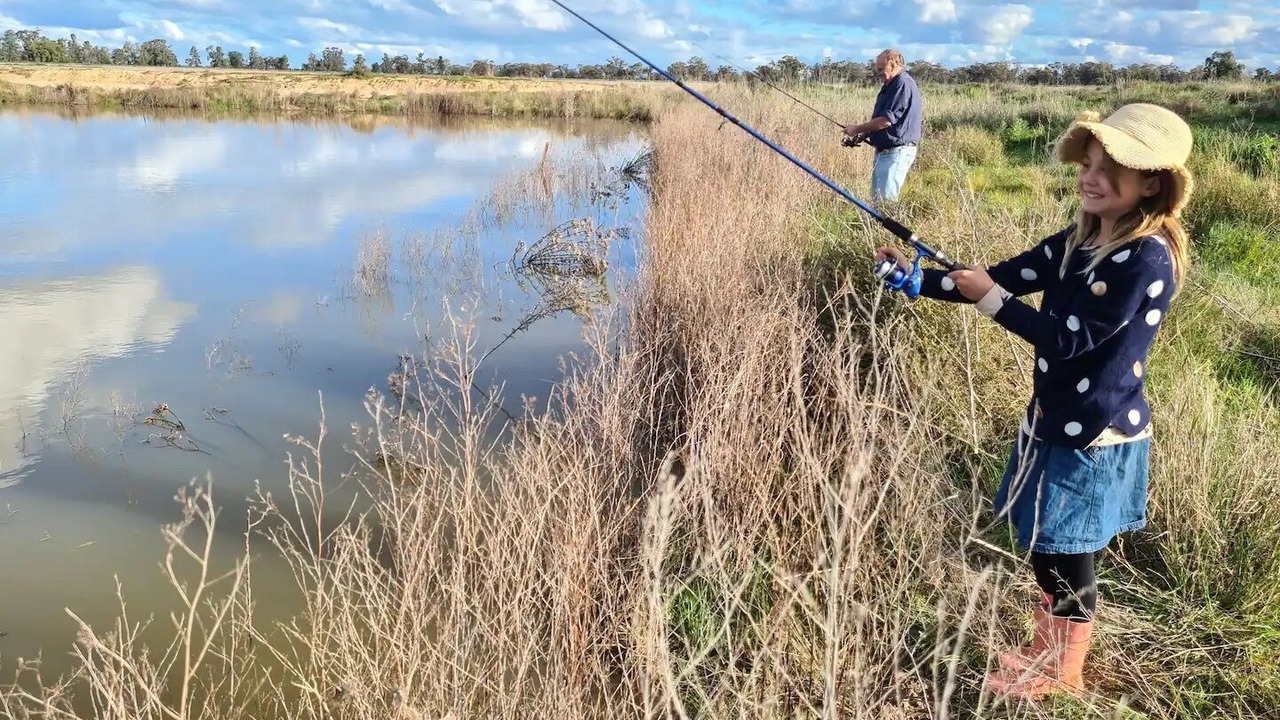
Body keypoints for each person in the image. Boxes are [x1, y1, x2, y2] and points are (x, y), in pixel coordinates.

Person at [874, 103, 1195, 699]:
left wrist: (992, 299)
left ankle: (1062, 671)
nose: (1091, 177)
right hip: (1052, 421)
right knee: (1045, 548)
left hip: (1093, 436)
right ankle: (1047, 647)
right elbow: (1001, 276)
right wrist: (922, 282)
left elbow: (1070, 338)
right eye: (1089, 163)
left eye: (1111, 169)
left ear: (1151, 182)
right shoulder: (1079, 238)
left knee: (1066, 555)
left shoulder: (1146, 257)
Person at [843, 49, 922, 202]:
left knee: (886, 202)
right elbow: (882, 120)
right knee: (877, 201)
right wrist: (862, 135)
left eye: (880, 69)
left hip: (896, 152)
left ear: (893, 65)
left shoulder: (902, 84)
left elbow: (886, 120)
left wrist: (856, 129)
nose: (878, 73)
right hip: (885, 152)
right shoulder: (889, 84)